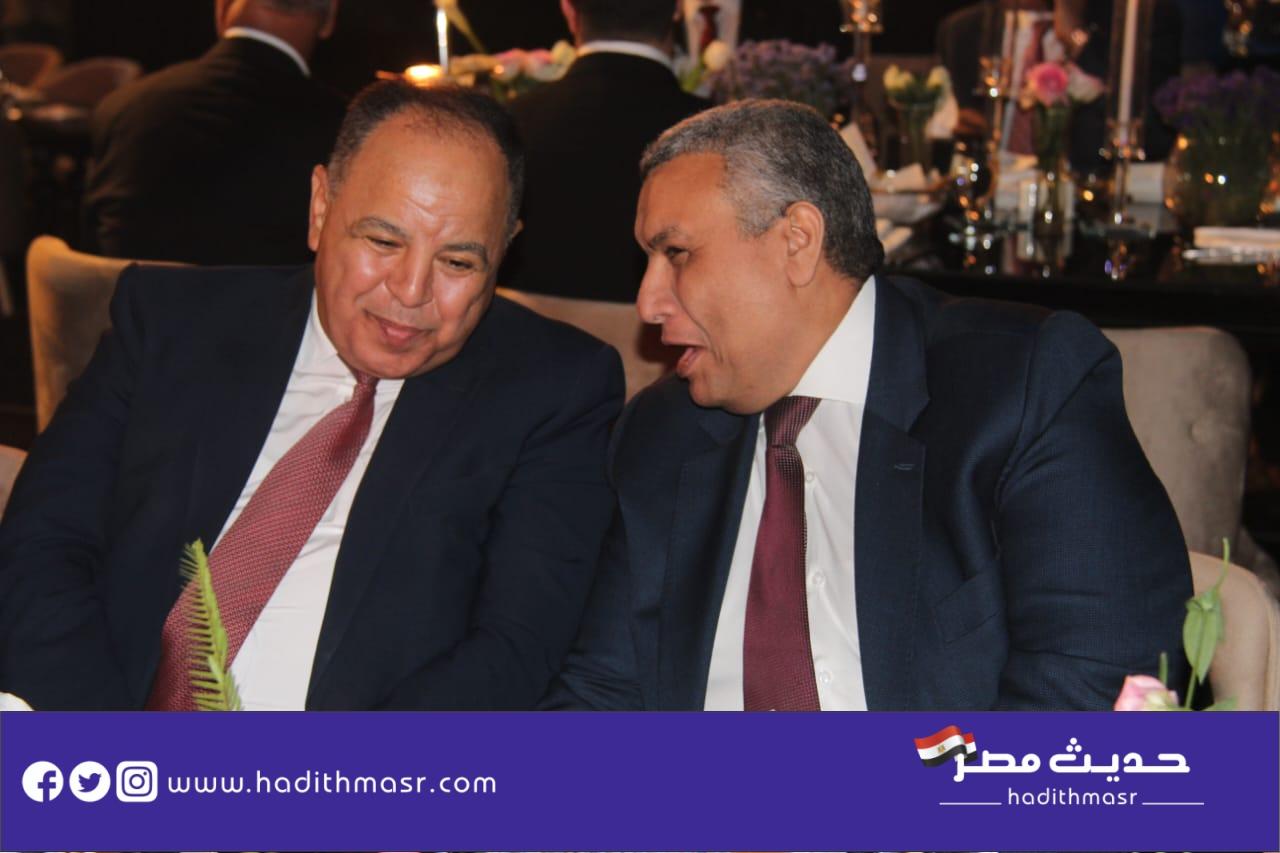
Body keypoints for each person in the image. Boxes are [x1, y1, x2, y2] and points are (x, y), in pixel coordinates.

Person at [544, 99, 1191, 712]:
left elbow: (1091, 683)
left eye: (677, 254)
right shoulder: (663, 433)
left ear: (797, 241)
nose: (649, 302)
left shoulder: (1020, 388)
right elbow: (602, 693)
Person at [0, 80, 623, 711]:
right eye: (383, 241)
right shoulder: (171, 324)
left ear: (505, 249)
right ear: (321, 207)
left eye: (458, 263)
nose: (411, 291)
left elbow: (516, 648)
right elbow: (43, 542)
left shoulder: (554, 390)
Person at [80, 0, 346, 266]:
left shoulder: (122, 107)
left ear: (222, 8)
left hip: (124, 292)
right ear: (330, 17)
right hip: (255, 294)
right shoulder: (342, 132)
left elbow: (89, 252)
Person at [501, 0, 707, 303]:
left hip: (521, 329)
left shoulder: (507, 123)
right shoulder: (713, 134)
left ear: (569, 11)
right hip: (661, 327)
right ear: (678, 8)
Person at [936, 0, 1181, 169]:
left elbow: (1146, 134)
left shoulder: (1134, 23)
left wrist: (1076, 40)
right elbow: (958, 130)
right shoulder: (965, 30)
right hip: (992, 190)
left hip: (1082, 199)